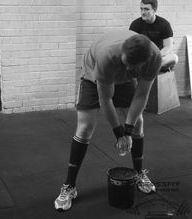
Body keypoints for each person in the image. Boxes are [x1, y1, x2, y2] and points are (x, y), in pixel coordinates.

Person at [54, 30, 162, 211]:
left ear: (144, 61)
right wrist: (119, 134)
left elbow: (141, 95)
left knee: (138, 124)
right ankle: (69, 186)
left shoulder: (154, 58)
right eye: (125, 63)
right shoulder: (108, 56)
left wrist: (128, 130)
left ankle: (139, 174)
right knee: (85, 127)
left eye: (132, 67)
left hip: (124, 79)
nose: (127, 69)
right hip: (93, 74)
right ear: (122, 53)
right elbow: (105, 99)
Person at [129, 0, 178, 72]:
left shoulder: (164, 24)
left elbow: (168, 47)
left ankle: (149, 66)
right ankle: (150, 66)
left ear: (154, 10)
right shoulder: (135, 25)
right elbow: (131, 47)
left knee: (174, 58)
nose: (143, 12)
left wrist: (155, 56)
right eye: (141, 9)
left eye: (146, 9)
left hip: (158, 56)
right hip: (142, 57)